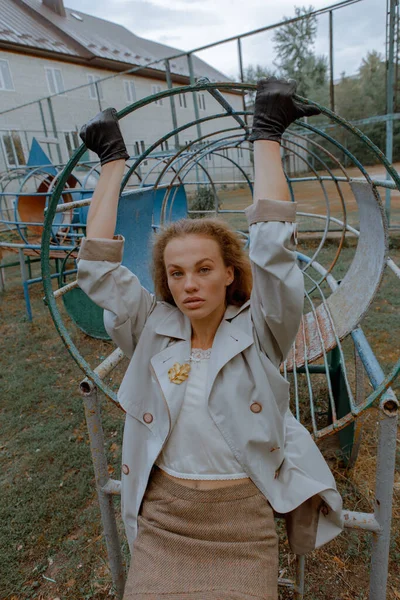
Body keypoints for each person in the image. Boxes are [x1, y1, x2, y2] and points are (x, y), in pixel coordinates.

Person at [77, 78, 343, 600]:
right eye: (176, 274)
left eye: (203, 269)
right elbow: (98, 268)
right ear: (165, 281)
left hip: (240, 520)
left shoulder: (261, 330)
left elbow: (273, 249)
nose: (190, 284)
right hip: (165, 519)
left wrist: (267, 133)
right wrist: (112, 160)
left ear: (229, 273)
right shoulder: (151, 331)